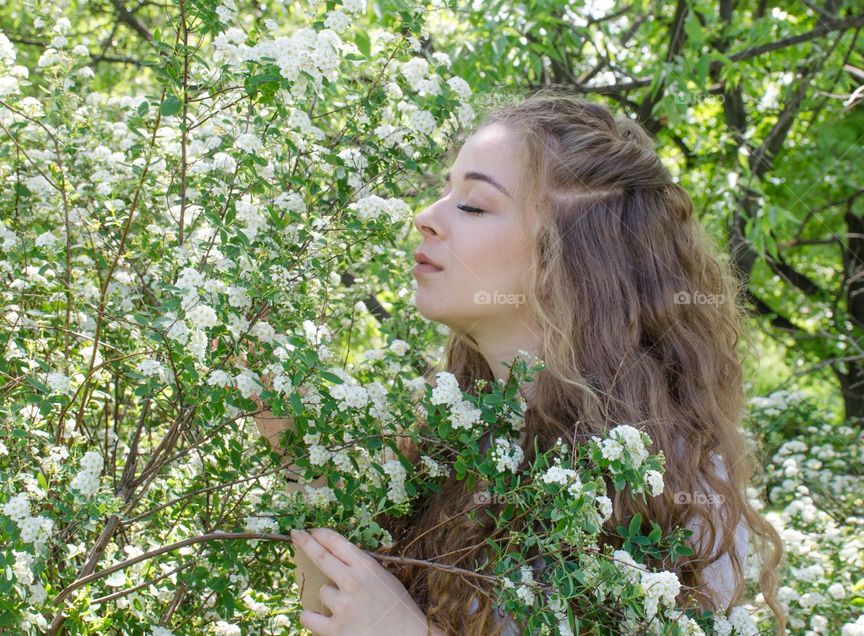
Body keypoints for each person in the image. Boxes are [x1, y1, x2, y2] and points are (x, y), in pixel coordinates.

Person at [268, 90, 787, 635]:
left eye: (472, 204)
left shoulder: (672, 484)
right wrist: (305, 460)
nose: (426, 216)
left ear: (566, 258)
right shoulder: (443, 442)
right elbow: (343, 619)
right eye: (445, 190)